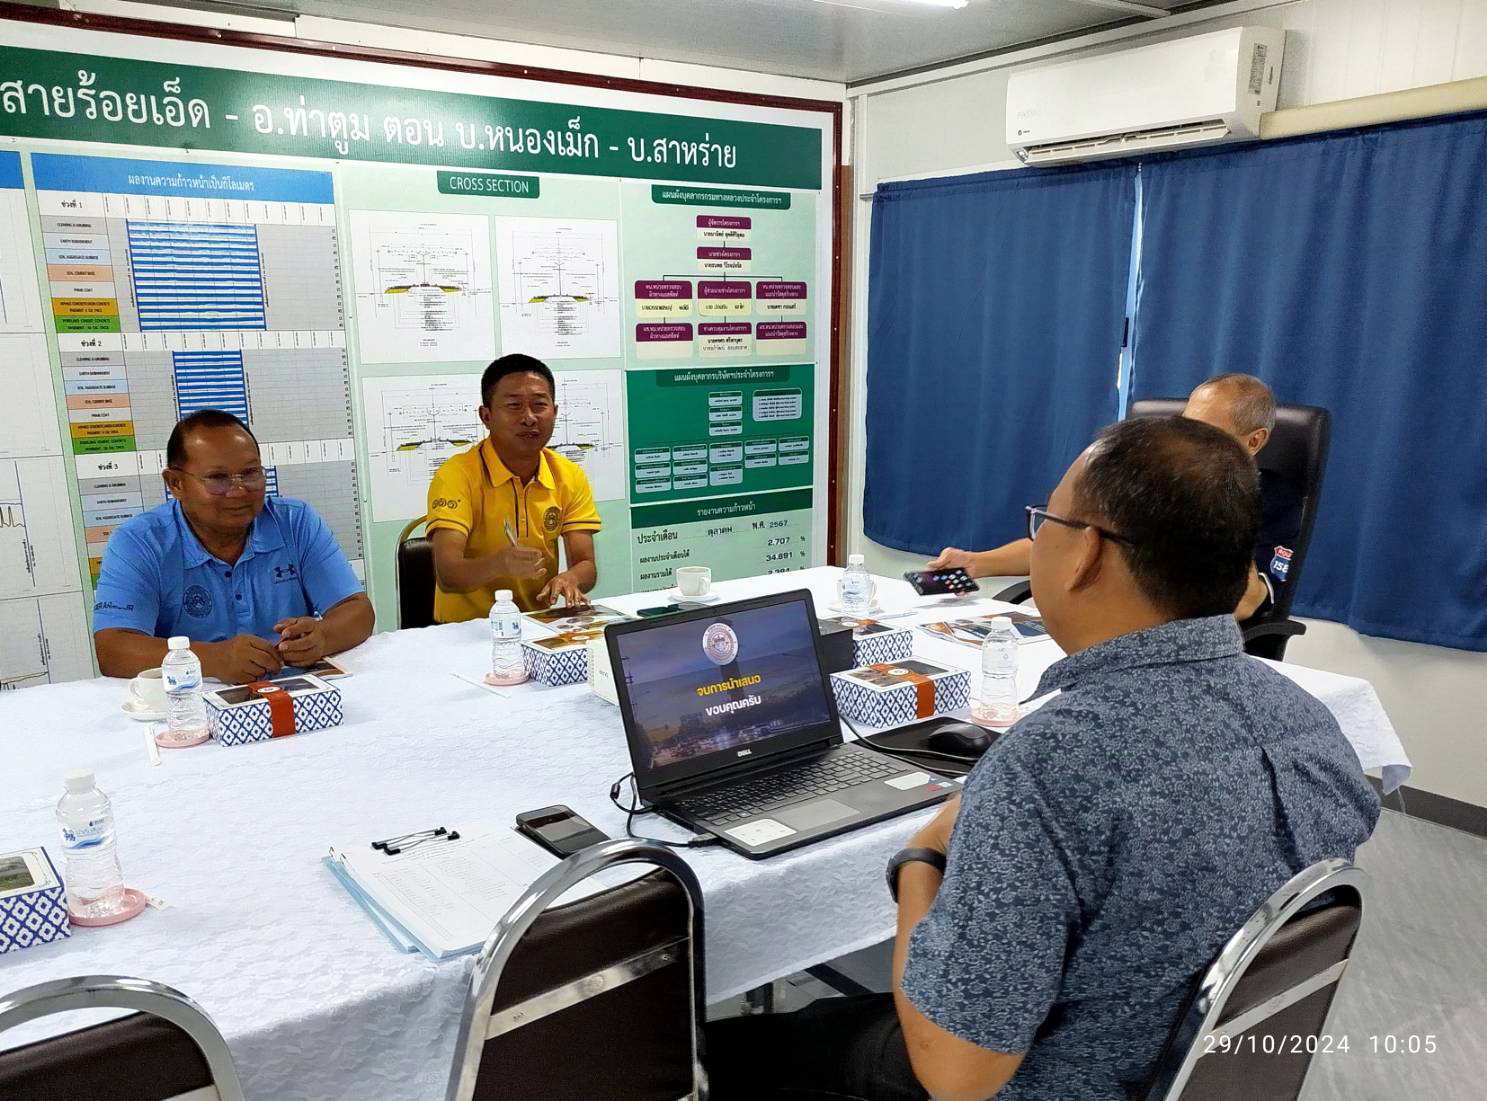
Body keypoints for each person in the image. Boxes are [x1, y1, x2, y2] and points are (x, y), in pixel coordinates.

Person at [705, 416, 1379, 1101]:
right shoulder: (1310, 721)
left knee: (732, 1051)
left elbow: (955, 1074)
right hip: (1191, 1068)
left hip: (1051, 1079)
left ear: (1086, 551)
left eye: (1045, 521)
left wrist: (920, 855)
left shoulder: (1051, 765)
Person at [928, 373, 1303, 622]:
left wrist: (1223, 505)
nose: (1188, 443)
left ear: (1254, 441)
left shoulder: (1273, 501)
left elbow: (1245, 603)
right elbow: (1071, 541)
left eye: (1205, 433)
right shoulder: (1155, 476)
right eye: (1185, 426)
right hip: (1115, 631)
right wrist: (975, 564)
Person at [93, 410, 373, 683]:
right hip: (188, 699)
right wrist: (213, 660)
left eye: (250, 473)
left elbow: (357, 611)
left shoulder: (295, 522)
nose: (238, 491)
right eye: (218, 478)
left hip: (292, 691)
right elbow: (113, 649)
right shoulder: (140, 542)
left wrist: (322, 636)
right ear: (175, 483)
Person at [426, 354, 601, 621]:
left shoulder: (568, 474)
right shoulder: (457, 475)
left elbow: (586, 565)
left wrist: (571, 578)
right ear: (486, 416)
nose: (529, 418)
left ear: (555, 411)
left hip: (538, 623)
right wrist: (498, 565)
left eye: (539, 405)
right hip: (465, 631)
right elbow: (448, 574)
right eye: (514, 406)